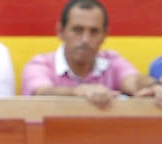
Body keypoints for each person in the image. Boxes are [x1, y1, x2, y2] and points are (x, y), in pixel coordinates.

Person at [21, 1, 161, 109]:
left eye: (94, 31)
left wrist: (154, 85)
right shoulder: (40, 64)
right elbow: (40, 93)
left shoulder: (112, 61)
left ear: (105, 35)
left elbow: (134, 81)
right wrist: (77, 92)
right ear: (60, 31)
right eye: (77, 30)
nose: (85, 39)